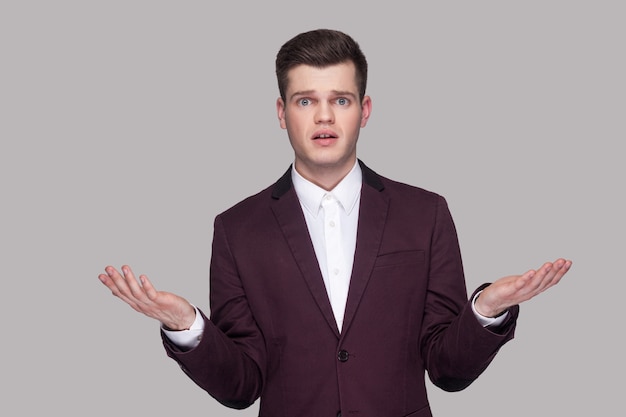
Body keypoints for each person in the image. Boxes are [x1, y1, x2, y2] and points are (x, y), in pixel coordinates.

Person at [98, 29, 571, 417]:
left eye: (340, 100)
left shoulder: (425, 214)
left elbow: (448, 371)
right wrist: (188, 327)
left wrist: (485, 311)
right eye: (305, 101)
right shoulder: (236, 229)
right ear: (282, 114)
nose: (324, 116)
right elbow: (241, 386)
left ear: (364, 111)